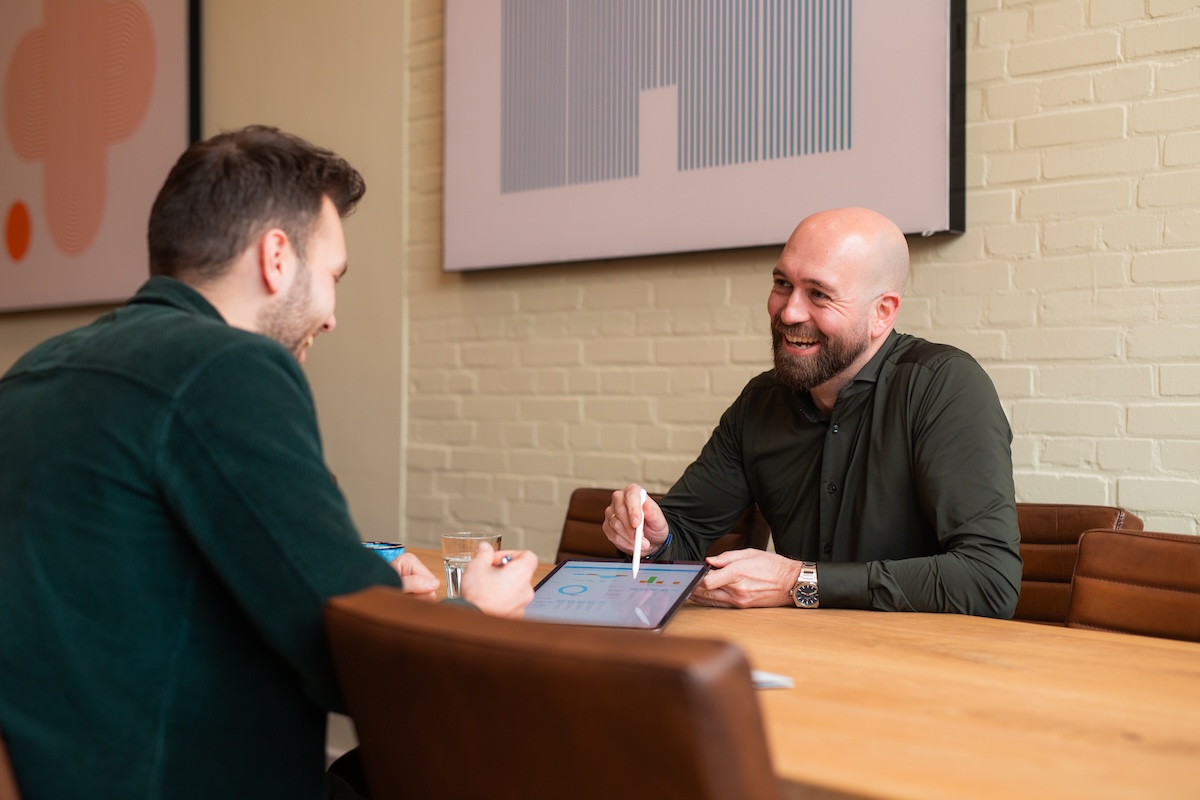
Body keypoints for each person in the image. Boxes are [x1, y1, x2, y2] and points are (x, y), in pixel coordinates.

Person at [0, 125, 537, 800]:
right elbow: (361, 666)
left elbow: (140, 575)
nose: (333, 315)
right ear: (276, 258)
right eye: (333, 276)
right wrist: (474, 613)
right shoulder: (228, 366)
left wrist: (363, 574)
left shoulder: (34, 371)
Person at [604, 208, 1021, 618]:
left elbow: (989, 580)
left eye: (819, 294)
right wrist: (653, 538)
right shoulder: (762, 401)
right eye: (782, 284)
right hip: (799, 658)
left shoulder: (944, 387)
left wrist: (796, 582)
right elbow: (684, 537)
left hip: (922, 666)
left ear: (882, 312)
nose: (789, 312)